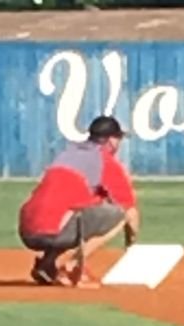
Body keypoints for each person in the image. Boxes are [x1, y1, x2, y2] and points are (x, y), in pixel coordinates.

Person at [18, 116, 139, 289]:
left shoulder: (68, 154)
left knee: (74, 212)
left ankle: (47, 265)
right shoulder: (104, 161)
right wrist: (131, 247)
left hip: (27, 230)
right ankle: (71, 267)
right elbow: (130, 211)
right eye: (118, 138)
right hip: (53, 230)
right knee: (120, 215)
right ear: (110, 140)